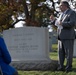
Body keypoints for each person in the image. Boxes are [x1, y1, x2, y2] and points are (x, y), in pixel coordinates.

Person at [50, 1, 76, 72]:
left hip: (68, 36)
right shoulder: (61, 14)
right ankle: (61, 67)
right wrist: (53, 20)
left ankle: (68, 68)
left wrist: (62, 23)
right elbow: (58, 24)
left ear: (65, 6)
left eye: (60, 6)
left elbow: (72, 23)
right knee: (60, 53)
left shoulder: (72, 13)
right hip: (60, 36)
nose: (59, 7)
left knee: (68, 54)